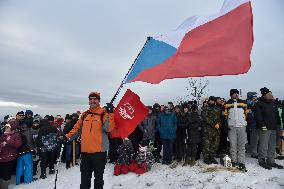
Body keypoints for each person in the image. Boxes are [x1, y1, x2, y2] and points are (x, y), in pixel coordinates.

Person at [64, 92, 115, 189]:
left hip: (99, 153)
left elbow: (108, 128)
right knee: (84, 180)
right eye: (91, 99)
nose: (93, 101)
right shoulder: (84, 115)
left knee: (98, 180)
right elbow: (77, 129)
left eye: (95, 99)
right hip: (85, 153)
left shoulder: (104, 113)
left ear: (98, 101)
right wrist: (67, 137)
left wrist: (110, 113)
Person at [254, 87, 283, 170]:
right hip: (265, 128)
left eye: (271, 93)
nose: (271, 95)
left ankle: (271, 160)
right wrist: (262, 124)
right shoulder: (259, 103)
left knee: (272, 145)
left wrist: (278, 125)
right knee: (264, 145)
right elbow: (258, 115)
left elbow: (276, 115)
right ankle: (262, 160)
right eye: (269, 94)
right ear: (264, 95)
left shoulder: (273, 103)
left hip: (273, 128)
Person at [224, 89, 248, 172]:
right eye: (234, 93)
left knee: (241, 145)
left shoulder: (243, 102)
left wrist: (245, 123)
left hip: (242, 127)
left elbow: (246, 113)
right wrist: (226, 126)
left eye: (237, 93)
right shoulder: (227, 103)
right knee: (233, 145)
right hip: (232, 127)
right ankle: (233, 161)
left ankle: (241, 162)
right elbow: (225, 115)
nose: (236, 95)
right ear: (231, 95)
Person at [0, 118, 22, 189]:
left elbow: (18, 144)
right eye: (5, 127)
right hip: (2, 156)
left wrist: (8, 142)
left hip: (9, 158)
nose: (5, 128)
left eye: (7, 127)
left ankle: (4, 187)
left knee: (6, 175)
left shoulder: (16, 135)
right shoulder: (4, 134)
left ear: (12, 128)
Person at [201, 96, 221, 165]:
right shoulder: (205, 108)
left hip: (216, 130)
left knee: (214, 144)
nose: (211, 102)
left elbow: (220, 118)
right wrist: (213, 124)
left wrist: (219, 123)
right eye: (210, 101)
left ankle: (212, 157)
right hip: (207, 130)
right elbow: (205, 118)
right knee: (206, 145)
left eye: (213, 101)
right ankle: (206, 158)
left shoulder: (217, 109)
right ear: (208, 101)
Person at [15, 111, 34, 185]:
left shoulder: (14, 125)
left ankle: (18, 181)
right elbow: (28, 139)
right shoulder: (25, 126)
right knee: (28, 165)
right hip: (26, 149)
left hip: (18, 149)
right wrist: (31, 149)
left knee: (19, 166)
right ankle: (28, 181)